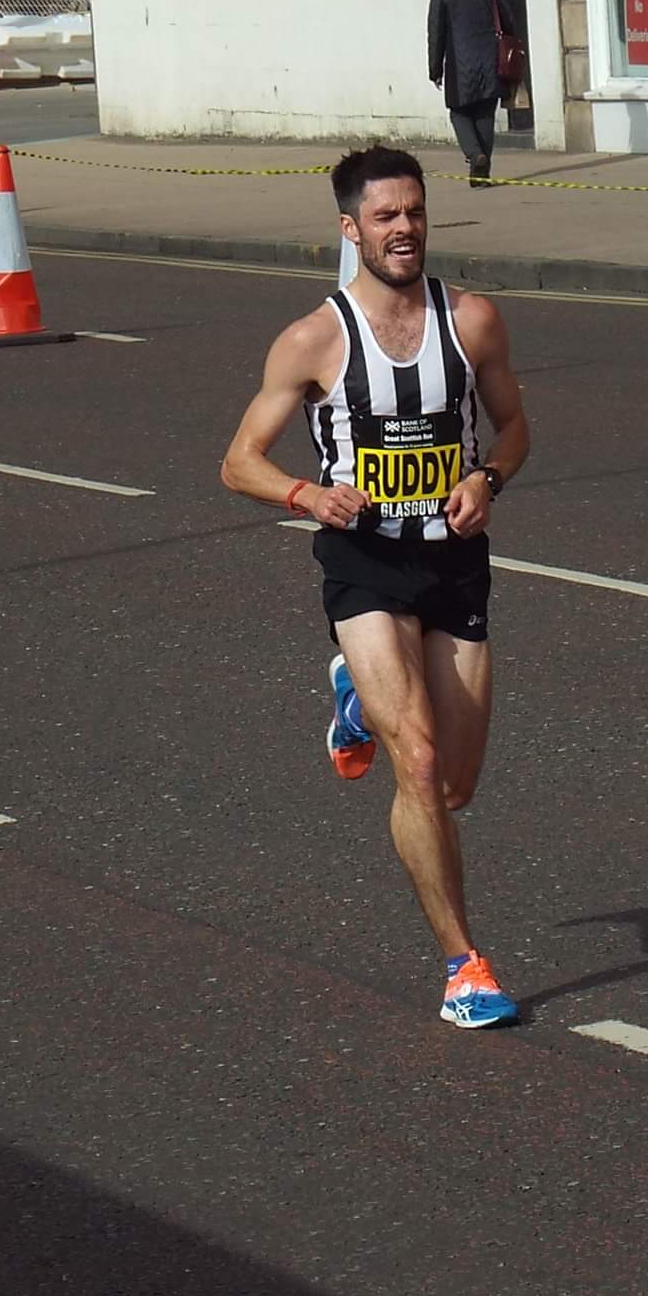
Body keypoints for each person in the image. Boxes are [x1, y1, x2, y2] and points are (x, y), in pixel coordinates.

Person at [220, 145, 533, 1030]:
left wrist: (489, 479)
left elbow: (514, 428)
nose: (404, 230)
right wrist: (306, 494)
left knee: (454, 785)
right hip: (362, 562)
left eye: (415, 213)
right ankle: (464, 968)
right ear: (350, 229)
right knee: (418, 765)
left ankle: (352, 697)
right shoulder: (313, 340)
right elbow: (238, 462)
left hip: (454, 560)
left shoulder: (472, 320)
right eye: (385, 217)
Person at [427, 0, 515, 188]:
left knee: (459, 113)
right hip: (490, 58)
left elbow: (436, 31)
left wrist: (435, 69)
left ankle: (475, 155)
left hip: (460, 62)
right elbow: (507, 18)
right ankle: (481, 175)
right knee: (485, 114)